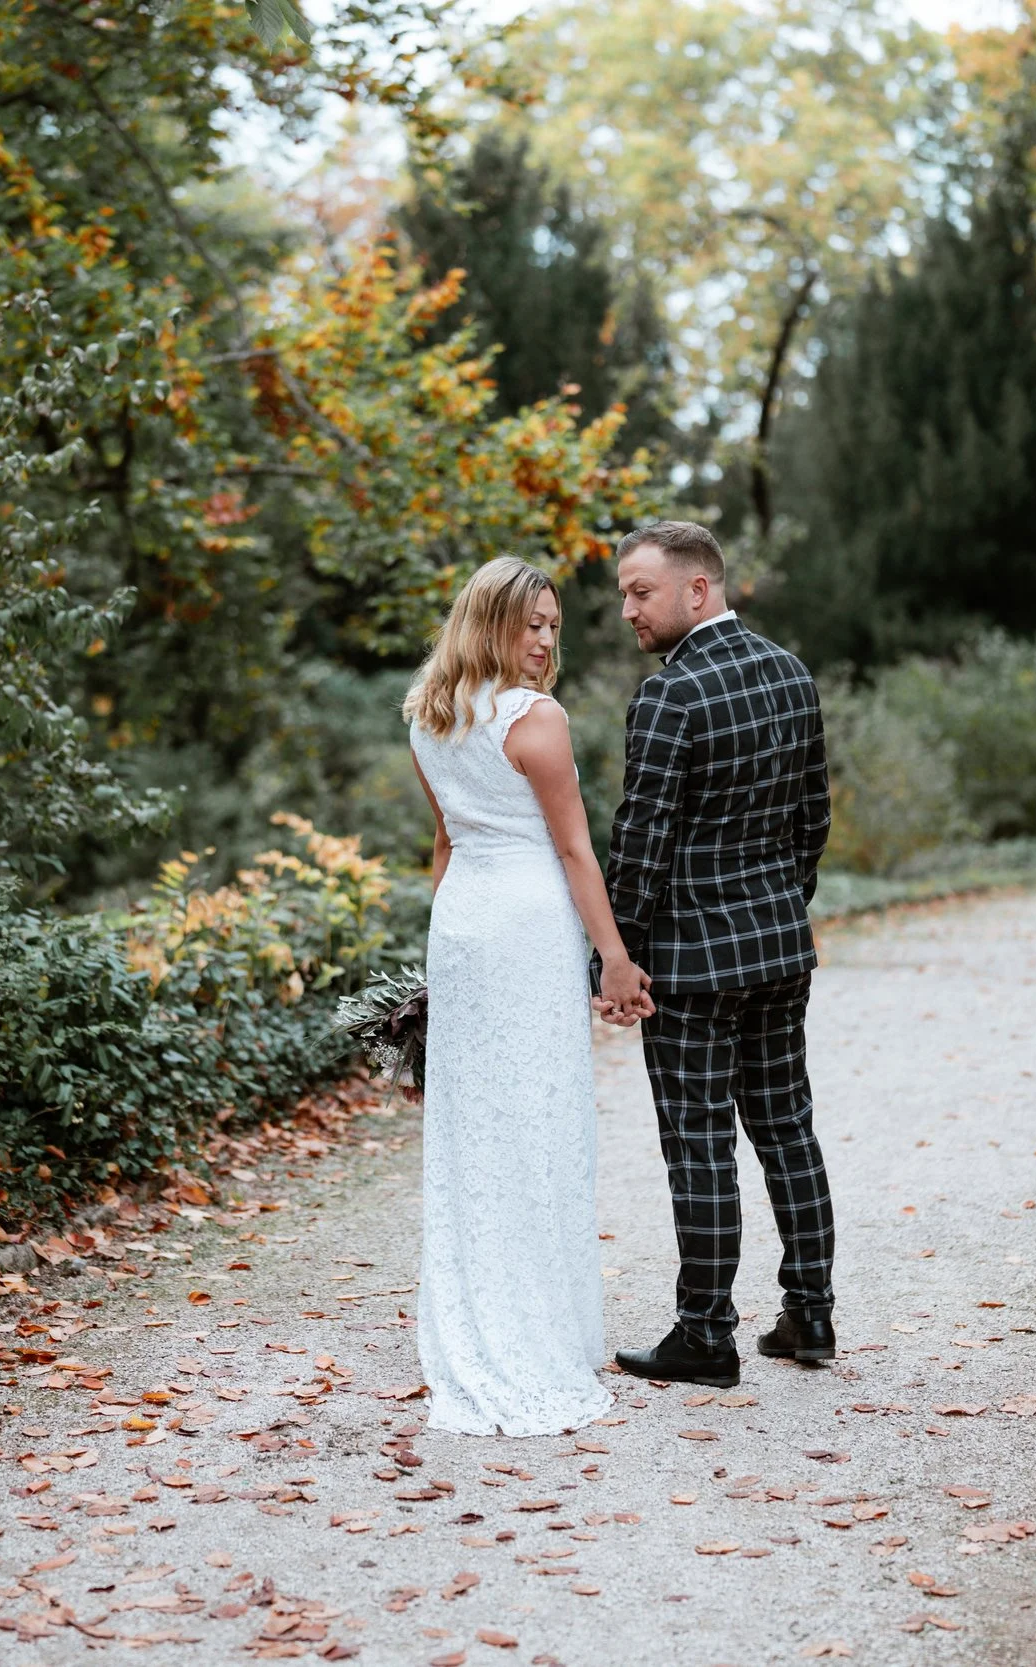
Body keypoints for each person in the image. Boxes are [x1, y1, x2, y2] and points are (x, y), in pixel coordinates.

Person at [405, 555, 647, 1436]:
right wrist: (613, 960)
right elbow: (578, 852)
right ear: (490, 622)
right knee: (536, 1116)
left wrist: (440, 958)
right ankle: (530, 1326)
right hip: (525, 924)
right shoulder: (536, 721)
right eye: (530, 624)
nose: (545, 641)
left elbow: (442, 847)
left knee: (480, 1120)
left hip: (464, 920)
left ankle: (497, 1306)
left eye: (552, 625)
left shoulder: (430, 715)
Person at [601, 521, 837, 1389]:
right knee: (786, 1128)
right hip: (779, 948)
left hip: (691, 964)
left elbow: (642, 841)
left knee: (698, 1141)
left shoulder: (671, 697)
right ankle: (810, 1313)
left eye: (641, 590)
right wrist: (778, 905)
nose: (628, 608)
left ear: (697, 590)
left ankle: (706, 1335)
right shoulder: (791, 673)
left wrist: (618, 956)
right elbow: (813, 818)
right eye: (626, 591)